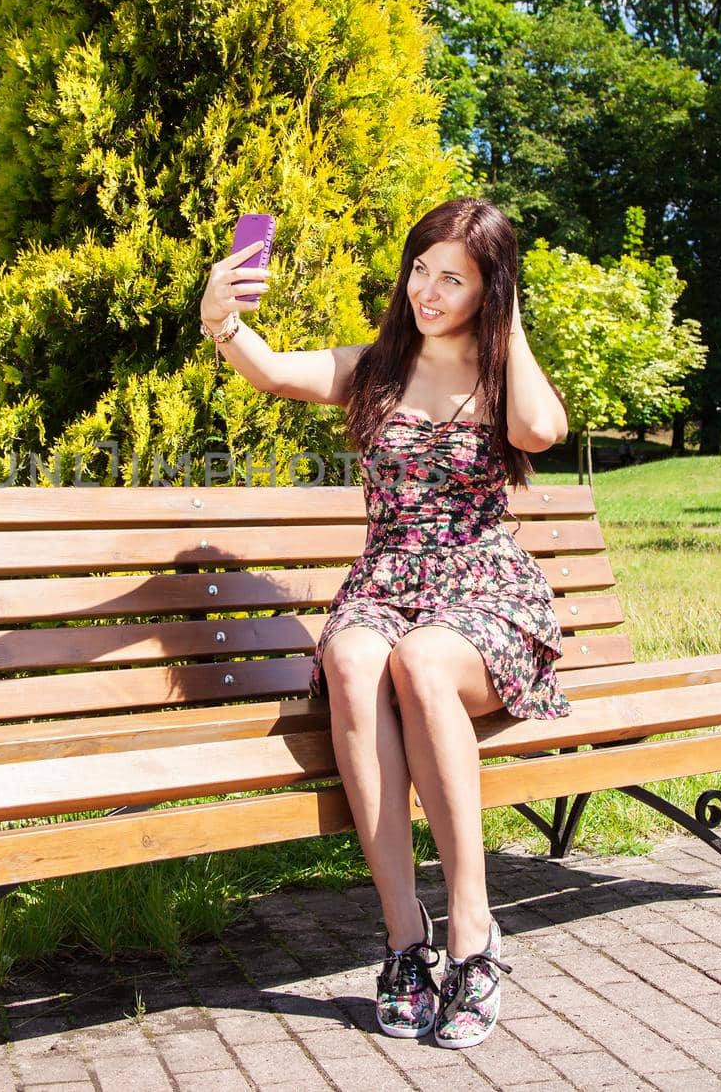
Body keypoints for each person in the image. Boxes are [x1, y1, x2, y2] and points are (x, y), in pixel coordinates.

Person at [197, 197, 572, 1049]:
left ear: (491, 291)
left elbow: (541, 431)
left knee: (425, 664)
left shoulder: (499, 371)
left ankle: (473, 936)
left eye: (454, 279)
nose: (428, 292)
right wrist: (222, 316)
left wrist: (507, 327)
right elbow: (268, 370)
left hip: (484, 591)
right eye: (419, 270)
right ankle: (406, 939)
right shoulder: (376, 366)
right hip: (386, 580)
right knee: (362, 657)